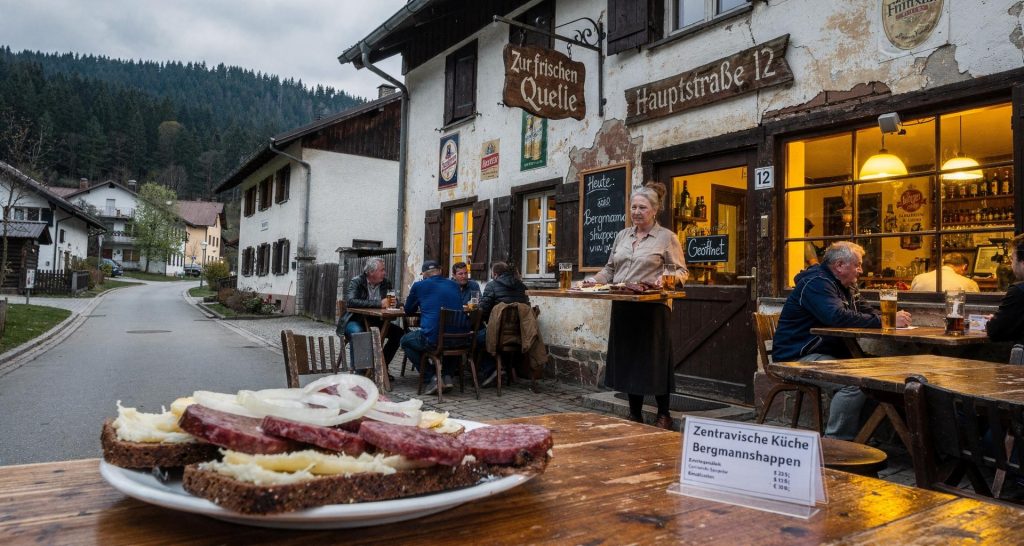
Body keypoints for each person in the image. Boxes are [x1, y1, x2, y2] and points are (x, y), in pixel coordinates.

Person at [772, 241, 912, 440]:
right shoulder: (816, 283)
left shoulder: (847, 286)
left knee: (880, 369)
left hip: (828, 353)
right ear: (839, 265)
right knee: (853, 383)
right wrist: (886, 320)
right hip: (797, 356)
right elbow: (835, 317)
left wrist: (887, 319)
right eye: (857, 265)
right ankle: (836, 445)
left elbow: (865, 310)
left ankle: (866, 435)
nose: (861, 270)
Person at [583, 181, 688, 430]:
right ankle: (635, 414)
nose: (636, 212)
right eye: (633, 207)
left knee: (654, 360)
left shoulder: (666, 238)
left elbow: (681, 271)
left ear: (654, 210)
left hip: (653, 307)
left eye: (642, 207)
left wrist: (667, 280)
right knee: (630, 361)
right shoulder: (622, 235)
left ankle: (664, 413)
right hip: (624, 303)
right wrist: (592, 281)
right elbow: (610, 269)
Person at [400, 260, 469, 395]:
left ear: (424, 274)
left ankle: (432, 377)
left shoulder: (419, 286)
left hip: (434, 340)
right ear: (441, 271)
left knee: (405, 341)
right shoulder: (454, 285)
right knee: (450, 334)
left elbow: (408, 310)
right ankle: (447, 376)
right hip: (461, 339)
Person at [336, 257, 401, 366]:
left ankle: (380, 368)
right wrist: (379, 304)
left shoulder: (385, 283)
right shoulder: (357, 281)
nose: (384, 273)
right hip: (354, 320)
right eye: (382, 270)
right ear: (371, 272)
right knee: (359, 333)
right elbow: (351, 302)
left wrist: (395, 302)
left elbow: (391, 299)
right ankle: (361, 374)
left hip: (376, 321)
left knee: (398, 333)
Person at [476, 261, 531, 387]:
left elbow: (482, 311)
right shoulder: (522, 286)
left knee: (476, 338)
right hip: (519, 334)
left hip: (497, 334)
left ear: (495, 274)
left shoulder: (492, 286)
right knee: (484, 336)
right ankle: (502, 368)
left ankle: (491, 370)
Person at [987, 233, 1024, 343]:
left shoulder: (1019, 292)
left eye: (1012, 259)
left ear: (1022, 262)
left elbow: (995, 331)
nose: (1011, 264)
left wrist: (992, 321)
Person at [910, 253, 980, 292]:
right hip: (951, 318)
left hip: (920, 317)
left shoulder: (918, 278)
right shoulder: (969, 283)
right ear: (964, 267)